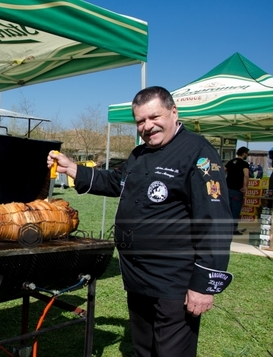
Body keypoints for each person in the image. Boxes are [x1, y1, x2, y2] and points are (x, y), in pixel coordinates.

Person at [48, 86, 233, 357]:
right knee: (143, 349)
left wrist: (203, 286)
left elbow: (214, 221)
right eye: (140, 121)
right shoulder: (139, 153)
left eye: (154, 117)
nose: (148, 126)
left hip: (174, 281)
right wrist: (73, 169)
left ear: (173, 112)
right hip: (137, 276)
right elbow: (117, 182)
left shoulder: (198, 153)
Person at [224, 146, 250, 235]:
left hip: (227, 189)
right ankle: (233, 229)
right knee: (235, 210)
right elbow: (246, 175)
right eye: (247, 153)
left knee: (227, 210)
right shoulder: (244, 164)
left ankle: (225, 228)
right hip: (237, 190)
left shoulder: (230, 162)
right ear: (244, 153)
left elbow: (223, 171)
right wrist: (245, 186)